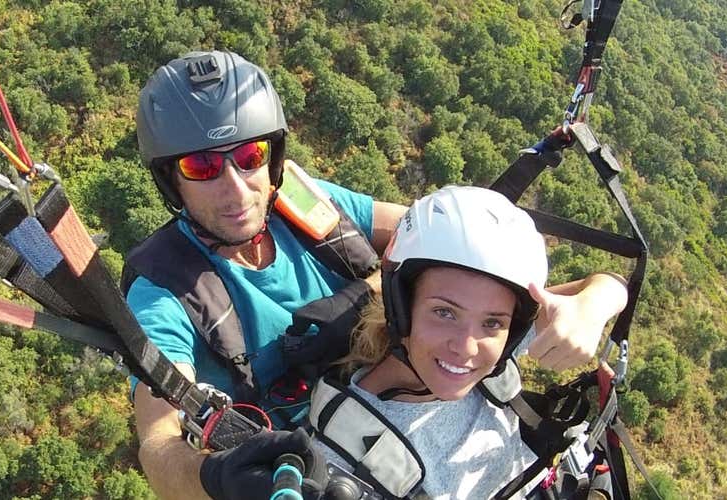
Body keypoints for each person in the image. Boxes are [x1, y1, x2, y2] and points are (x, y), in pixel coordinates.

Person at [125, 50, 629, 500]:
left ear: (273, 156)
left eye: (249, 157)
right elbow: (159, 445)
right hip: (325, 461)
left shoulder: (306, 205)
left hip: (397, 379)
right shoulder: (167, 290)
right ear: (171, 180)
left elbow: (450, 241)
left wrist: (596, 299)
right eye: (202, 167)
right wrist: (215, 478)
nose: (235, 189)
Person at [308, 185, 628, 499]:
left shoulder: (492, 354)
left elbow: (614, 284)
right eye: (445, 313)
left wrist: (590, 308)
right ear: (402, 306)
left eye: (492, 322)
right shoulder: (345, 459)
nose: (467, 348)